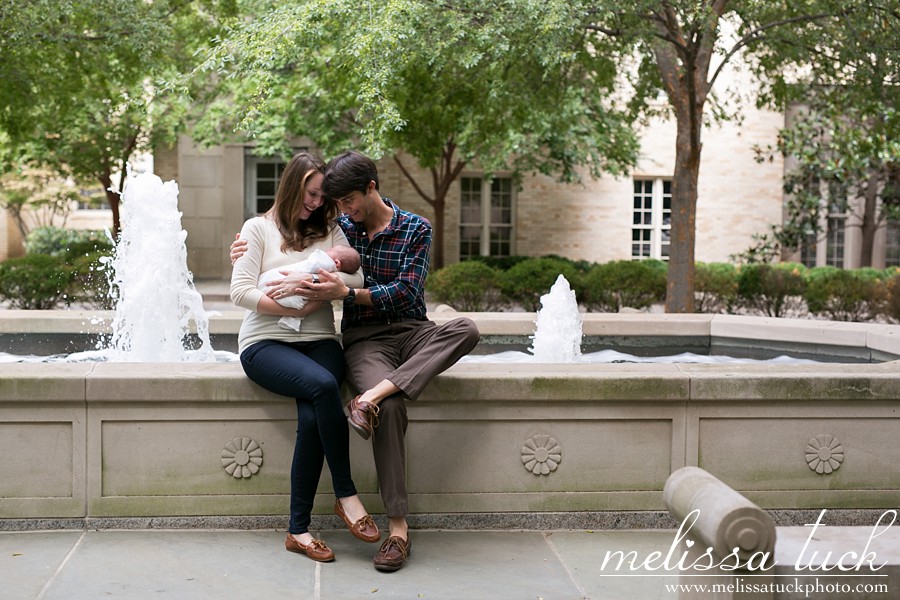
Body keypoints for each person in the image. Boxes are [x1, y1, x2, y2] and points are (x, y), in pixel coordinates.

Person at [232, 151, 479, 572]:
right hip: (355, 339)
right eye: (328, 200)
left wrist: (332, 288)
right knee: (382, 404)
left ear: (371, 188)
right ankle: (381, 521)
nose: (335, 208)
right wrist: (258, 267)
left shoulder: (405, 228)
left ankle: (371, 397)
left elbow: (388, 287)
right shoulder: (332, 225)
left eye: (343, 201)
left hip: (403, 329)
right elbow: (250, 274)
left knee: (466, 329)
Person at [230, 152, 380, 563]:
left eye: (322, 197)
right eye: (311, 193)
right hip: (265, 342)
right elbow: (240, 291)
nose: (316, 203)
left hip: (319, 341)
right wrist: (291, 309)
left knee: (314, 415)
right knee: (323, 385)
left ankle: (298, 530)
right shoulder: (256, 229)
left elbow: (356, 276)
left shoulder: (330, 229)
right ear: (292, 185)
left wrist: (309, 281)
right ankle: (346, 494)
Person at [258, 245, 361, 332]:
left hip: (318, 333)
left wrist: (313, 278)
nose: (325, 251)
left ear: (337, 263)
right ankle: (292, 318)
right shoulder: (257, 227)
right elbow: (243, 292)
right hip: (267, 330)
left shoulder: (325, 261)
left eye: (329, 251)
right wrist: (298, 312)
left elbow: (358, 281)